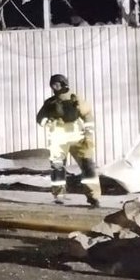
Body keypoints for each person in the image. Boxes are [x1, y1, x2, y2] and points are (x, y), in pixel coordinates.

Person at [36, 74, 101, 208]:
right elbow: (40, 117)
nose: (55, 87)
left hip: (77, 134)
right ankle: (59, 195)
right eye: (53, 85)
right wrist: (47, 122)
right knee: (57, 166)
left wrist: (89, 133)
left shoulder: (75, 98)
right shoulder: (50, 103)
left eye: (57, 84)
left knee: (87, 164)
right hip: (58, 135)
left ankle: (93, 197)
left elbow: (87, 115)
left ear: (64, 84)